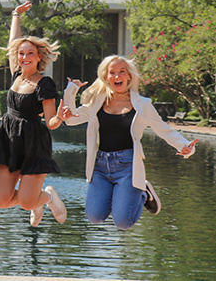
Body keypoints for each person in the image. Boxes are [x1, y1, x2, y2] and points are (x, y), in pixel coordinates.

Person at [59, 55, 198, 230]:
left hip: (128, 166)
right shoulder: (97, 101)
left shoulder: (143, 105)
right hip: (100, 166)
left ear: (129, 76)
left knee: (123, 222)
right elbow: (70, 119)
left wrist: (184, 146)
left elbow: (163, 129)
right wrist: (71, 90)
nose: (117, 76)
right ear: (106, 77)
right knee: (94, 217)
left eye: (121, 72)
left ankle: (143, 194)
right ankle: (121, 197)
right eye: (112, 73)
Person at [0, 1, 68, 227]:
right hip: (9, 140)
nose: (24, 57)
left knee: (26, 202)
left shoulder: (44, 84)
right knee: (1, 200)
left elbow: (51, 122)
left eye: (30, 53)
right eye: (21, 54)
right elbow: (13, 42)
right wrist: (15, 15)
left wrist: (60, 117)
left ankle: (48, 197)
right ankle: (37, 199)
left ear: (38, 56)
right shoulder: (16, 75)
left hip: (33, 143)